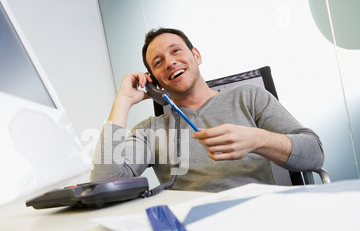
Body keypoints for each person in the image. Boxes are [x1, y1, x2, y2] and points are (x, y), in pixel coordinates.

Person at [91, 27, 324, 192]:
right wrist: (123, 101)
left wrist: (257, 140)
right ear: (155, 81)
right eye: (158, 62)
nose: (170, 62)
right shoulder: (150, 130)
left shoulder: (249, 97)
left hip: (258, 220)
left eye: (176, 51)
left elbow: (314, 154)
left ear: (196, 55)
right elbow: (104, 182)